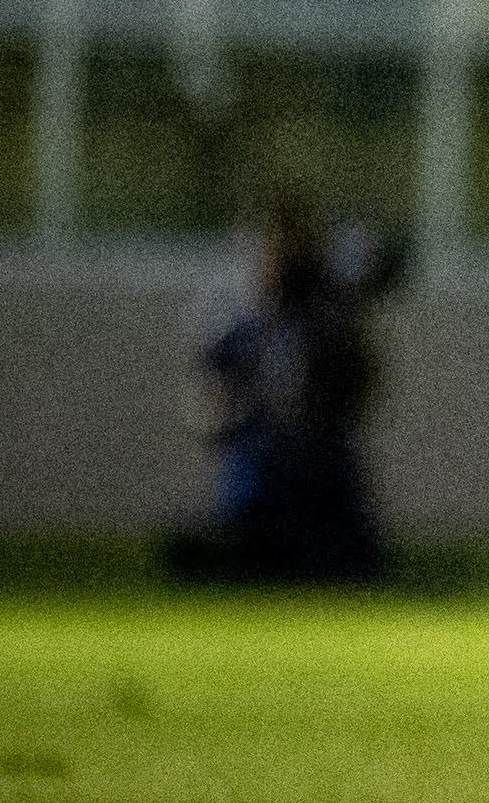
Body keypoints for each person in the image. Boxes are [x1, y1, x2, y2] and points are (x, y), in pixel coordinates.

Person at [163, 197, 400, 586]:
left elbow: (368, 384)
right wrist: (230, 420)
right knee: (257, 552)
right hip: (260, 468)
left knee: (345, 561)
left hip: (321, 467)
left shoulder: (331, 320)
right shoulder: (239, 327)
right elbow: (207, 404)